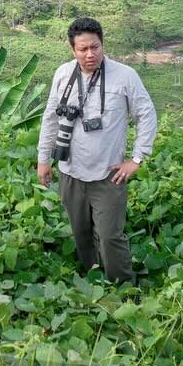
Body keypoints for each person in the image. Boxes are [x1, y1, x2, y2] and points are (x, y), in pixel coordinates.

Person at [36, 17, 158, 284]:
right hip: (70, 171)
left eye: (95, 47)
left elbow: (146, 115)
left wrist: (137, 158)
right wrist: (43, 159)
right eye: (83, 49)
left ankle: (123, 287)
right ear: (72, 49)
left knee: (110, 236)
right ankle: (93, 282)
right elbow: (51, 119)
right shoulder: (63, 74)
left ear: (103, 44)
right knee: (80, 233)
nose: (90, 54)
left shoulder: (125, 76)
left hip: (108, 174)